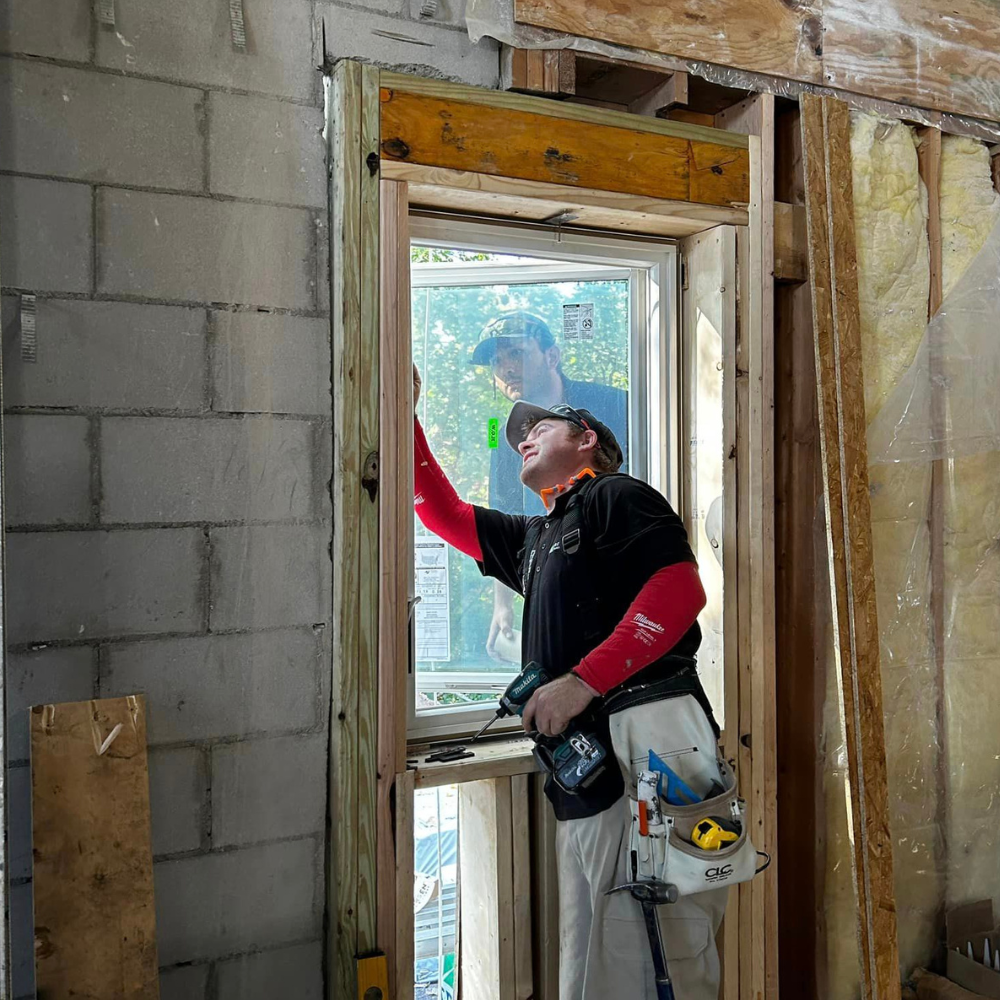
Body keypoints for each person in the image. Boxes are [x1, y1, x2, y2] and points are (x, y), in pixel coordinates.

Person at [413, 365, 729, 1000]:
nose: (522, 436)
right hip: (590, 766)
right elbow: (441, 513)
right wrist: (403, 414)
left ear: (587, 439)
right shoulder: (538, 537)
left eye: (541, 425)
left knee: (666, 947)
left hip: (653, 733)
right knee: (597, 958)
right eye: (518, 435)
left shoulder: (618, 495)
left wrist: (580, 681)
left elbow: (679, 591)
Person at [470, 311, 629, 662]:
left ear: (552, 357)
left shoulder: (613, 403)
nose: (506, 368)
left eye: (517, 353)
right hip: (554, 569)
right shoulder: (501, 432)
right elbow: (504, 514)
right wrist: (503, 605)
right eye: (496, 360)